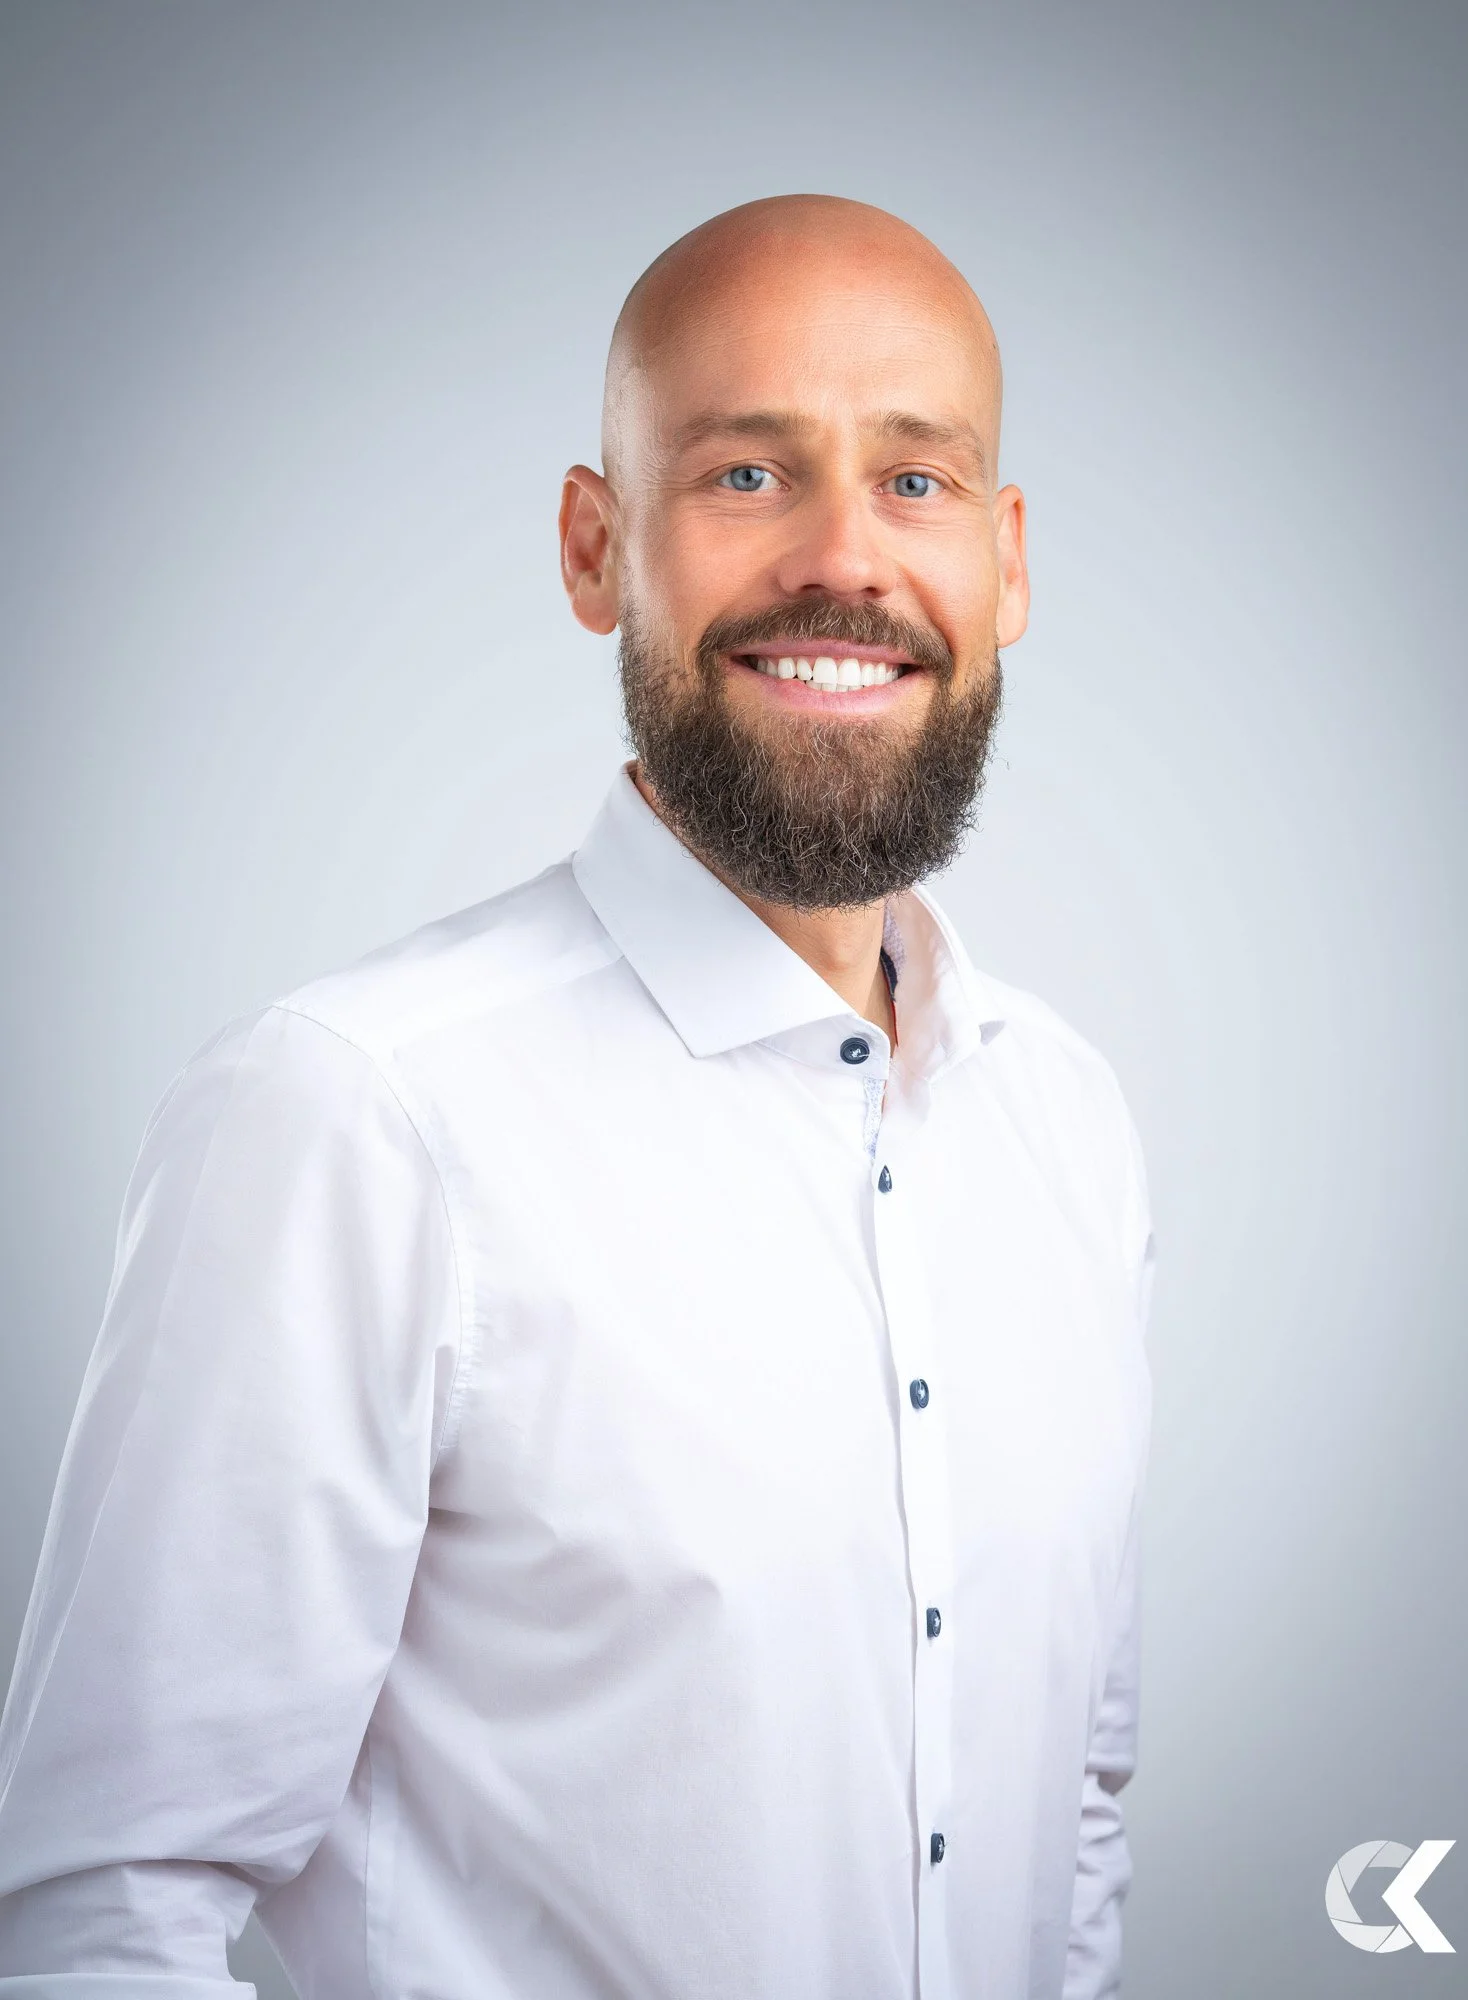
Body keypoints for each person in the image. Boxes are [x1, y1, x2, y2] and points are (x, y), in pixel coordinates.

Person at [0, 195, 1154, 2000]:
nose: (846, 560)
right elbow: (97, 1914)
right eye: (749, 476)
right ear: (593, 546)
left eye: (915, 483)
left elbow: (1071, 1813)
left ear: (1007, 565)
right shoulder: (356, 1120)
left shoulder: (1069, 1129)